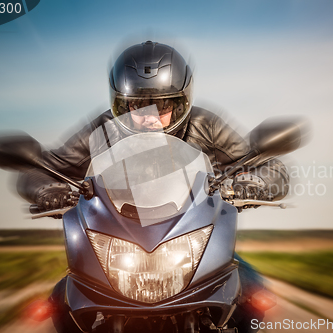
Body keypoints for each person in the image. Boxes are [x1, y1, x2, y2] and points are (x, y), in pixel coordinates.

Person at [17, 41, 289, 333]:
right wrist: (48, 190)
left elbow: (269, 165)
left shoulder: (205, 124)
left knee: (251, 291)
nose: (148, 116)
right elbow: (42, 168)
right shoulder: (102, 130)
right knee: (63, 298)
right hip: (118, 237)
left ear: (182, 101)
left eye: (162, 105)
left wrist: (253, 182)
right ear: (121, 103)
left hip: (192, 234)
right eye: (136, 105)